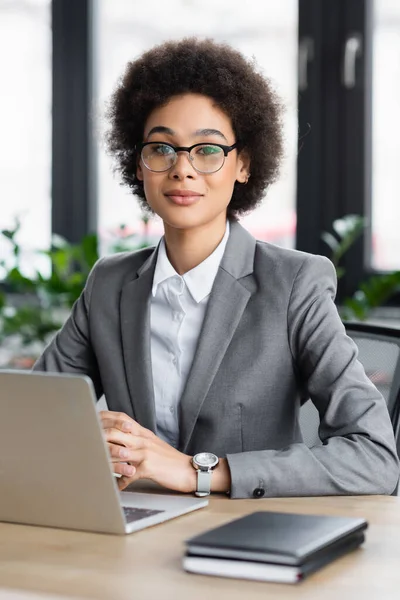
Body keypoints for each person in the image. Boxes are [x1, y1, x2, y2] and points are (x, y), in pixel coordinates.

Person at [34, 38, 399, 498]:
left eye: (207, 150)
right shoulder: (110, 284)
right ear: (139, 164)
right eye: (162, 148)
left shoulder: (294, 284)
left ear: (243, 164)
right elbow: (31, 421)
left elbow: (374, 457)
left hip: (249, 538)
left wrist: (197, 472)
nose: (182, 169)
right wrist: (86, 433)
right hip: (134, 529)